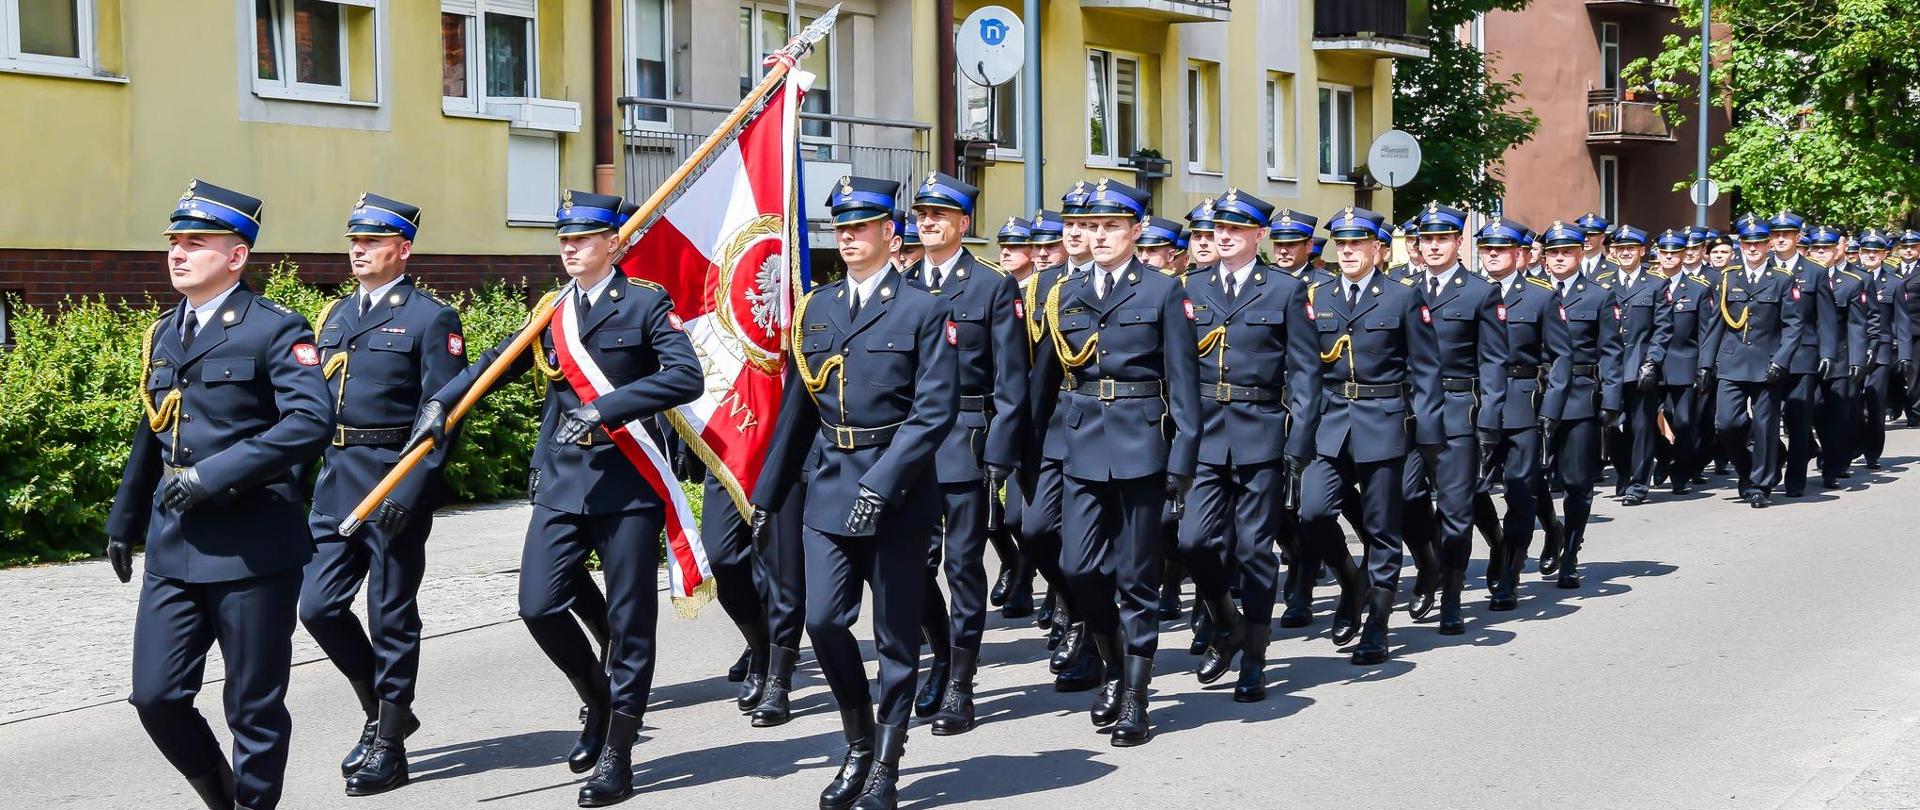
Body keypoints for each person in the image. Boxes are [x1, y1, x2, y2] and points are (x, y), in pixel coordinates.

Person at [404, 190, 703, 806]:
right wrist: (445, 401)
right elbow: (496, 362)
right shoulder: (551, 311)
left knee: (629, 623)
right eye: (563, 239)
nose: (570, 249)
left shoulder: (647, 305)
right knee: (539, 604)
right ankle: (597, 697)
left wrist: (603, 408)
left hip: (627, 486)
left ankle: (618, 752)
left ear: (613, 244)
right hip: (563, 485)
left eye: (583, 239)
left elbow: (684, 376)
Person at [107, 180, 334, 810]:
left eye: (196, 242)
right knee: (155, 697)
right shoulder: (164, 332)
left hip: (252, 548)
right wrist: (125, 519)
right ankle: (224, 795)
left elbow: (309, 421)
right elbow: (152, 428)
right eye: (174, 242)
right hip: (175, 547)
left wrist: (213, 476)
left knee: (252, 707)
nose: (178, 253)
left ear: (236, 256)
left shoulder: (273, 329)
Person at [752, 176, 956, 809]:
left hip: (896, 494)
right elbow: (799, 408)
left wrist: (883, 482)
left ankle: (888, 763)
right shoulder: (818, 308)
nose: (847, 235)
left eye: (861, 226)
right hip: (829, 489)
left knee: (896, 636)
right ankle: (859, 739)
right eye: (840, 226)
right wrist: (768, 490)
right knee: (822, 620)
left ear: (888, 234)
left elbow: (933, 412)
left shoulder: (922, 309)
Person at [301, 194, 465, 796]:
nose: (358, 251)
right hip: (337, 482)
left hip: (395, 481)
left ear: (403, 249)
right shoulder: (336, 317)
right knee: (316, 606)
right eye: (354, 241)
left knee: (390, 614)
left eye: (371, 241)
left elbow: (444, 414)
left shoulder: (430, 319)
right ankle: (384, 706)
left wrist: (415, 486)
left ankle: (389, 744)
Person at [1031, 178, 1200, 744]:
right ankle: (1111, 662)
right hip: (1081, 445)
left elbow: (1184, 383)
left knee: (1135, 578)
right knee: (1078, 569)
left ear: (1134, 232)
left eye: (1111, 227)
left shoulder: (1162, 291)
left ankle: (1135, 693)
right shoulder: (1066, 293)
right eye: (1091, 226)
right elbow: (1047, 379)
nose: (1098, 236)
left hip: (1141, 446)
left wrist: (1183, 460)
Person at [1173, 189, 1318, 700]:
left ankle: (1255, 653)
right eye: (1218, 230)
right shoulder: (1190, 288)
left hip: (1260, 432)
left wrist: (1298, 443)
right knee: (1191, 542)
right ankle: (1228, 621)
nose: (1225, 237)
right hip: (1207, 434)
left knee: (1256, 550)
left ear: (1259, 237)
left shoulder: (1282, 291)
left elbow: (1304, 372)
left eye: (1237, 230)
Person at [900, 172, 1028, 735]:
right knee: (912, 566)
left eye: (939, 215)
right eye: (922, 215)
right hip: (909, 444)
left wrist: (998, 450)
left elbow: (1011, 379)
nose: (927, 223)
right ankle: (940, 655)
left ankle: (961, 684)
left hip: (965, 438)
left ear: (962, 224)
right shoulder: (901, 285)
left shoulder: (990, 287)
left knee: (962, 566)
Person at [1296, 207, 1443, 665]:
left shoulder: (1402, 297)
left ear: (1378, 249)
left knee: (1382, 530)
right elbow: (1302, 367)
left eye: (1357, 244)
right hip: (1331, 421)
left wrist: (1428, 436)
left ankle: (1377, 623)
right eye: (1342, 244)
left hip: (1384, 420)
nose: (1348, 252)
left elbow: (1426, 369)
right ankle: (1351, 583)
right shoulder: (1316, 295)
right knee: (1313, 512)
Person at [1399, 203, 1506, 628]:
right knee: (1406, 500)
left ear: (1458, 242)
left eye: (1443, 239)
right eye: (1427, 239)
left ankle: (1453, 596)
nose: (1434, 247)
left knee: (1456, 509)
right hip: (1407, 411)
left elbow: (1494, 362)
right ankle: (1428, 565)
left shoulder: (1480, 291)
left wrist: (1490, 420)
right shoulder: (1402, 288)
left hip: (1456, 409)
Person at [1472, 219, 1570, 613]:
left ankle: (1511, 571)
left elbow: (1562, 356)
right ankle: (1497, 543)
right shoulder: (1471, 293)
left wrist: (1550, 409)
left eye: (1501, 248)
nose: (1493, 254)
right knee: (1472, 490)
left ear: (1519, 254)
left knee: (1519, 489)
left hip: (1520, 402)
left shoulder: (1540, 297)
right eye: (1487, 248)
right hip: (1476, 402)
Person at [1537, 224, 1624, 586]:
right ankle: (1552, 530)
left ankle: (1571, 551)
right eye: (1553, 253)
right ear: (1544, 257)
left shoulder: (1598, 297)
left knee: (1576, 482)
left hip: (1578, 395)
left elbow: (1611, 352)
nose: (1560, 259)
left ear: (1580, 254)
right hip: (1535, 395)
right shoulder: (1531, 293)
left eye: (1567, 252)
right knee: (1528, 478)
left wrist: (1613, 399)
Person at [1704, 214, 1803, 508]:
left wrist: (1782, 361)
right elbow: (1715, 326)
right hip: (1732, 361)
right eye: (1747, 243)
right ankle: (1747, 469)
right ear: (1740, 245)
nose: (1752, 248)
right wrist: (1706, 365)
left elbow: (1793, 326)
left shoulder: (1783, 280)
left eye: (1758, 243)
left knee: (1765, 426)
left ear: (1768, 245)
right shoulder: (1727, 277)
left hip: (1767, 362)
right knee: (1727, 423)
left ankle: (1761, 484)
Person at [1768, 210, 1838, 498]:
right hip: (1767, 354)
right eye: (1776, 235)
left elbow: (1826, 318)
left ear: (1797, 238)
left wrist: (1828, 354)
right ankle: (1771, 464)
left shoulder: (1814, 271)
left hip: (1802, 356)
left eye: (1787, 234)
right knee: (1767, 419)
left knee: (1798, 418)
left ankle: (1795, 477)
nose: (1781, 239)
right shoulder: (1760, 267)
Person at [1605, 225, 1673, 505]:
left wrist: (1652, 361)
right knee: (1610, 424)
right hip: (1609, 365)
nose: (1625, 254)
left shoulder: (1656, 284)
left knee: (1641, 426)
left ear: (1642, 251)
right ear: (1613, 252)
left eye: (1630, 249)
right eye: (1620, 250)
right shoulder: (1604, 283)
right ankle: (1623, 471)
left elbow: (1663, 328)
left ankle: (1638, 484)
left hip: (1641, 365)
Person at [1805, 225, 1873, 488]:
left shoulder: (1853, 281)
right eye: (1816, 248)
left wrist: (1858, 359)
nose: (1821, 252)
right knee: (1805, 409)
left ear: (1837, 250)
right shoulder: (1801, 277)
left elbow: (1858, 325)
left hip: (1841, 357)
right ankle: (1814, 448)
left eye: (1826, 248)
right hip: (1809, 355)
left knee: (1836, 413)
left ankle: (1833, 466)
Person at [1649, 229, 1716, 495]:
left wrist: (1705, 366)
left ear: (1682, 255)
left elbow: (1705, 333)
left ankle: (1681, 473)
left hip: (1684, 362)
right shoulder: (1647, 284)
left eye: (1674, 253)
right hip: (1651, 364)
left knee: (1685, 422)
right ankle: (1664, 454)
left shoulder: (1698, 288)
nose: (1668, 257)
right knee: (1643, 420)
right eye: (1664, 252)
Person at [1857, 229, 1899, 468]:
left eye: (1876, 251)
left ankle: (1872, 452)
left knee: (1874, 403)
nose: (1870, 255)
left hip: (1881, 351)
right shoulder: (1850, 277)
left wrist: (1901, 352)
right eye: (1866, 251)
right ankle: (1848, 446)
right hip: (1852, 349)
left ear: (1884, 254)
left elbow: (1900, 320)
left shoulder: (1893, 283)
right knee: (1849, 403)